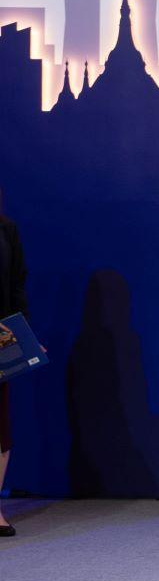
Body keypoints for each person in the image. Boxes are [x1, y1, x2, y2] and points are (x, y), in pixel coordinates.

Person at [0, 198, 25, 538]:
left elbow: (17, 284)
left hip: (0, 336)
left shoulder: (7, 230)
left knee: (0, 426)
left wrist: (24, 334)